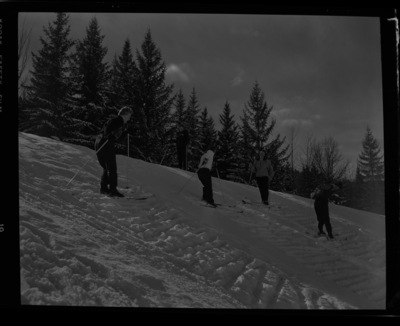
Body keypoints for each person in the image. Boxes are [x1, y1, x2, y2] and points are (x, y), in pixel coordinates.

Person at [94, 106, 132, 197]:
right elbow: (109, 133)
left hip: (99, 143)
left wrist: (124, 133)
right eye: (129, 115)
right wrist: (109, 135)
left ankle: (104, 189)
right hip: (105, 145)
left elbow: (113, 136)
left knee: (107, 168)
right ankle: (113, 190)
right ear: (126, 115)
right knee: (112, 168)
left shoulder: (115, 120)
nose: (130, 118)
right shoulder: (118, 121)